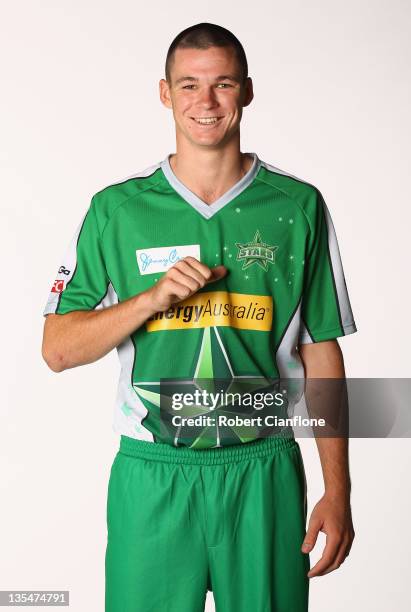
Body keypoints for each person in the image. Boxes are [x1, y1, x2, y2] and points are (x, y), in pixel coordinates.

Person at [42, 22, 357, 612]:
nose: (205, 103)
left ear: (248, 91)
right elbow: (57, 349)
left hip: (262, 469)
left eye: (222, 85)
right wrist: (148, 301)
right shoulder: (117, 211)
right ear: (165, 93)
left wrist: (337, 490)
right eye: (188, 86)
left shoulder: (298, 206)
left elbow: (322, 355)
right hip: (154, 472)